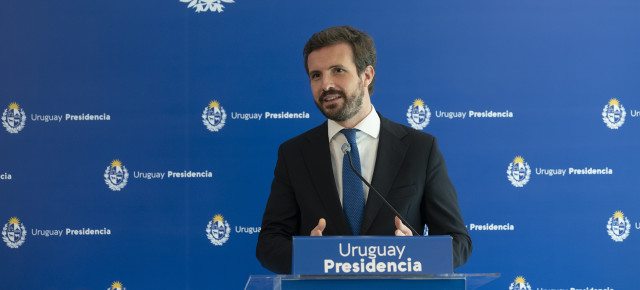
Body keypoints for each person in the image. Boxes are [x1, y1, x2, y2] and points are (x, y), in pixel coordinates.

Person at [256, 25, 471, 274]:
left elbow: (459, 242)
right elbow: (269, 244)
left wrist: (416, 254)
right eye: (316, 75)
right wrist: (307, 256)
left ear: (366, 75)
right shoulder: (294, 153)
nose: (325, 84)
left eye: (337, 70)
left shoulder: (420, 148)